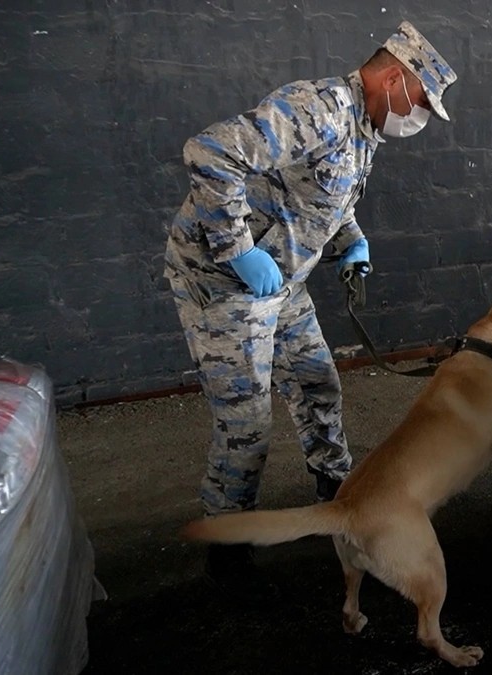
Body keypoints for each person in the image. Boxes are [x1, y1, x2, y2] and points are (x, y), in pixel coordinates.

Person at [162, 21, 457, 590]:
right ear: (394, 76)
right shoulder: (317, 109)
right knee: (246, 427)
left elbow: (321, 195)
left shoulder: (363, 128)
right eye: (420, 101)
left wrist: (351, 242)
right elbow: (210, 152)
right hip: (222, 283)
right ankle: (229, 548)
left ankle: (337, 498)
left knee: (319, 384)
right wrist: (239, 250)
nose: (418, 116)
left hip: (283, 284)